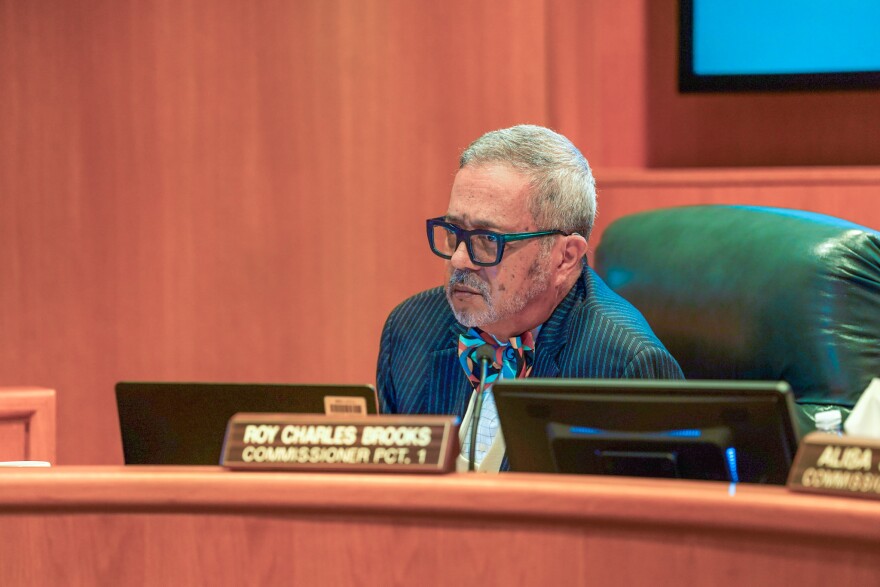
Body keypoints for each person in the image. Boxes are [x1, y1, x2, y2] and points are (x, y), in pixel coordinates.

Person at [376, 124, 683, 472]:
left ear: (565, 257)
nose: (460, 259)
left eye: (488, 239)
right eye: (454, 232)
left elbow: (644, 523)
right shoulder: (411, 330)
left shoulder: (624, 368)